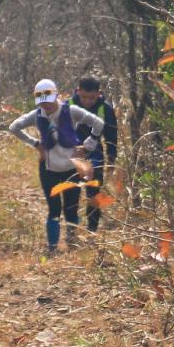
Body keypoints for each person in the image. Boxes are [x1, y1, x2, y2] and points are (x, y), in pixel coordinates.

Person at [8, 78, 106, 253]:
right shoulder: (36, 115)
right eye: (42, 103)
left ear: (56, 96)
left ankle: (72, 243)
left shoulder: (71, 111)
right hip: (48, 170)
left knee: (71, 208)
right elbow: (14, 127)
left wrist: (88, 145)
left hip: (71, 168)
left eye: (48, 101)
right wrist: (36, 144)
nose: (46, 106)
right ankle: (52, 248)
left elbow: (98, 123)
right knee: (54, 209)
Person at [68, 76, 118, 234]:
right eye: (84, 97)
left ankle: (92, 231)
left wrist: (111, 159)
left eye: (92, 98)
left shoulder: (105, 109)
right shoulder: (67, 106)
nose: (88, 101)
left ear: (98, 93)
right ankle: (71, 231)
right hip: (71, 157)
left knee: (94, 194)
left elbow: (111, 137)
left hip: (95, 156)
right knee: (71, 194)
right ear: (78, 91)